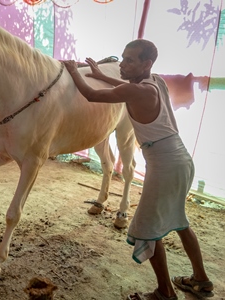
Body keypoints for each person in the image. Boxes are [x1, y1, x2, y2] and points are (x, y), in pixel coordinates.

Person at [62, 39, 214, 300]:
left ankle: (164, 292)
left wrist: (74, 70)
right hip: (180, 159)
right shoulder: (155, 81)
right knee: (179, 221)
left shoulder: (140, 91)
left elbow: (91, 95)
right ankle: (201, 280)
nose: (123, 64)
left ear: (146, 64)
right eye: (123, 58)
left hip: (164, 165)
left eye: (130, 60)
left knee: (147, 230)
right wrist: (101, 74)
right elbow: (127, 87)